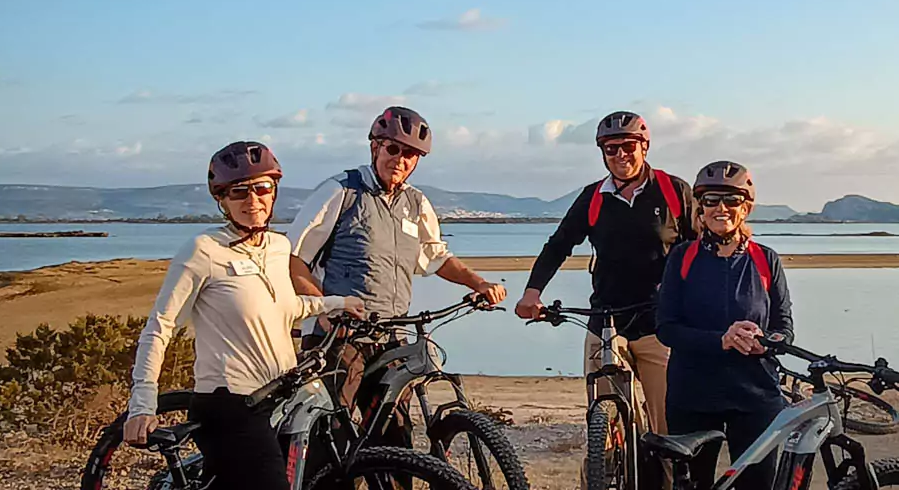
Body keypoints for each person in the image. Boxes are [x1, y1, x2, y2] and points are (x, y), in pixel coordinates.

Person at [124, 141, 364, 490]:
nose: (253, 201)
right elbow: (159, 328)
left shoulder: (279, 247)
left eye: (262, 188)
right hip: (230, 405)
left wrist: (336, 303)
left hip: (280, 394)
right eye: (239, 192)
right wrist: (142, 404)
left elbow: (287, 307)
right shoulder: (203, 251)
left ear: (274, 192)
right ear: (222, 199)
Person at [515, 111, 696, 435]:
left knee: (668, 426)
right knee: (606, 423)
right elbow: (558, 245)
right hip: (606, 320)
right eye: (611, 149)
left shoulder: (673, 191)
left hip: (661, 322)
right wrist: (532, 292)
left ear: (645, 147)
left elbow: (699, 249)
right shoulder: (593, 197)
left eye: (628, 146)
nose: (620, 155)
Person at [287, 105, 506, 325]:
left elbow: (436, 257)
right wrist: (325, 311)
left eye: (410, 154)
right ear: (375, 148)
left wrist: (480, 284)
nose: (400, 160)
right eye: (393, 149)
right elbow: (293, 259)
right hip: (338, 333)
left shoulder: (416, 203)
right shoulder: (340, 191)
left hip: (394, 328)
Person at [657, 161, 792, 490]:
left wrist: (766, 340)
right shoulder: (682, 258)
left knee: (756, 486)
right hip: (693, 397)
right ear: (700, 209)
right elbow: (666, 328)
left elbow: (784, 327)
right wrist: (721, 340)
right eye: (712, 200)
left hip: (756, 396)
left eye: (732, 200)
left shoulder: (766, 259)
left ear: (745, 208)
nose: (721, 208)